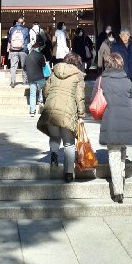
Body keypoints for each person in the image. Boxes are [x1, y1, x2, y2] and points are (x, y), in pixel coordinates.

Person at [92, 52, 132, 203]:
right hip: (126, 120)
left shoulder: (101, 80)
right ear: (120, 64)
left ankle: (118, 191)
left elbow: (94, 100)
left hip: (110, 120)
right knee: (122, 151)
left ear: (107, 64)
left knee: (113, 154)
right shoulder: (127, 81)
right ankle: (120, 182)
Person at [37, 52, 85, 182]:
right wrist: (81, 114)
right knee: (69, 143)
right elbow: (79, 97)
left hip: (51, 111)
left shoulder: (54, 72)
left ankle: (53, 154)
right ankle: (69, 173)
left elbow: (45, 91)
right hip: (68, 112)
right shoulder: (78, 76)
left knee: (54, 136)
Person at [24, 38, 49, 116]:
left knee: (32, 94)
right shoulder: (40, 55)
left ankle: (32, 111)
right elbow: (43, 65)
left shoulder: (27, 56)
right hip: (39, 76)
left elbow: (24, 68)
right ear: (38, 48)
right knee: (42, 89)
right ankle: (41, 100)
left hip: (31, 77)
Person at [8, 17, 29, 88]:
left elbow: (9, 39)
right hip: (23, 50)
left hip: (13, 50)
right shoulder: (25, 29)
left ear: (17, 22)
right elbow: (27, 40)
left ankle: (13, 81)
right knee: (24, 66)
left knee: (13, 66)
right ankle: (25, 81)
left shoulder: (12, 29)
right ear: (23, 23)